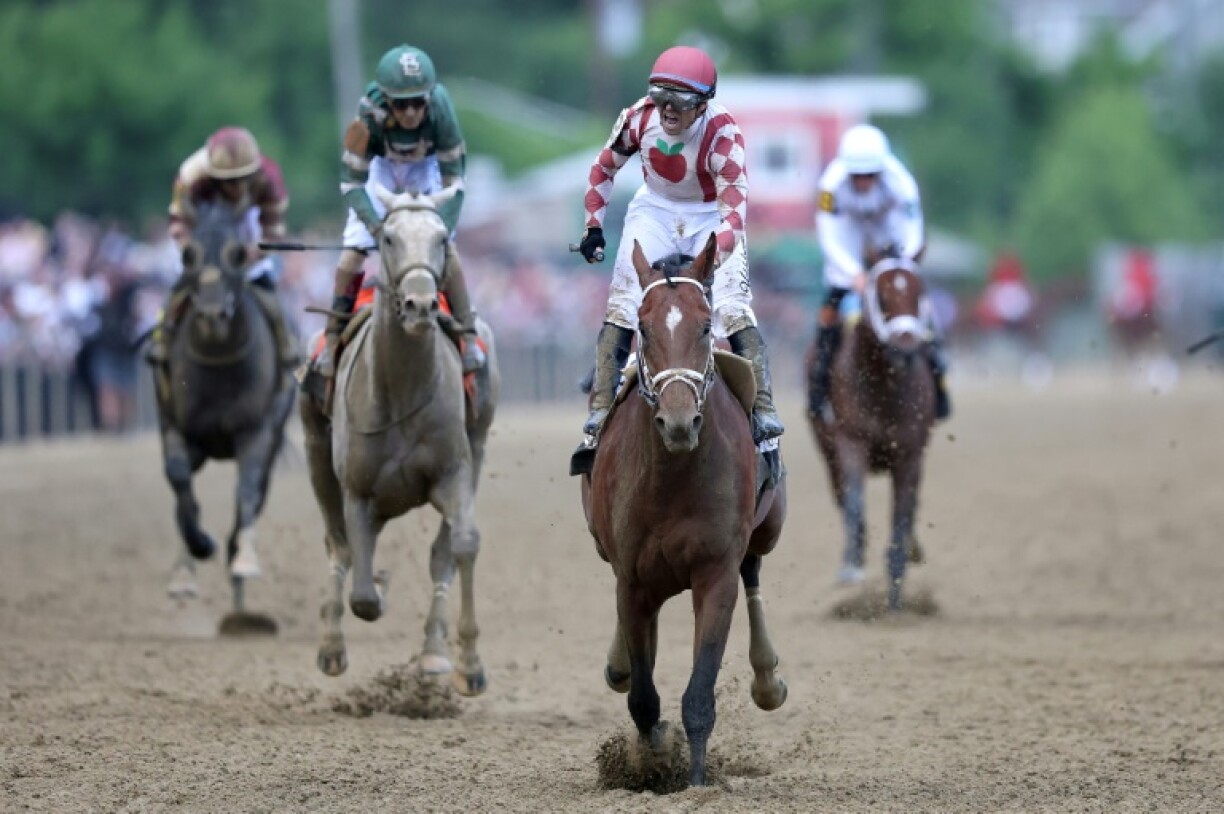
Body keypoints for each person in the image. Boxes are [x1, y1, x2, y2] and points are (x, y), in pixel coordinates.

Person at [574, 45, 784, 453]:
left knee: (733, 306)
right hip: (653, 210)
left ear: (703, 104)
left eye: (681, 102)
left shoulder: (724, 135)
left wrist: (703, 266)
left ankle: (762, 408)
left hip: (711, 218)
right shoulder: (638, 118)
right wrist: (593, 226)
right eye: (660, 97)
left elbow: (735, 219)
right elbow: (604, 167)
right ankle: (600, 407)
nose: (668, 110)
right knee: (622, 303)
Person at [314, 44, 484, 400]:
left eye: (418, 102)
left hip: (427, 170)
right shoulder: (365, 117)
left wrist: (441, 229)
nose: (411, 111)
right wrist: (376, 230)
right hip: (380, 171)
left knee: (445, 249)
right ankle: (331, 342)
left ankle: (468, 338)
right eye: (401, 103)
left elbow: (455, 184)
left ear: (429, 97)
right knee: (351, 257)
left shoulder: (442, 110)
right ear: (386, 100)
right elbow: (351, 183)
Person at [809, 123, 950, 420]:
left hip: (889, 234)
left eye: (869, 175)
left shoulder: (901, 183)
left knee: (917, 307)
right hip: (849, 235)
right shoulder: (830, 187)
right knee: (830, 309)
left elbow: (913, 230)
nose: (862, 181)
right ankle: (819, 388)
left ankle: (939, 382)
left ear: (881, 170)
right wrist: (852, 273)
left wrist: (904, 265)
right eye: (856, 176)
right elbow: (829, 235)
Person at [148, 126, 298, 369]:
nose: (237, 187)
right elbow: (178, 222)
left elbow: (274, 231)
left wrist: (255, 252)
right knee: (181, 287)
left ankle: (285, 342)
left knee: (266, 288)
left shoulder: (269, 178)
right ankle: (162, 338)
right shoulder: (190, 177)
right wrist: (191, 250)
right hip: (204, 228)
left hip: (248, 225)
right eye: (229, 181)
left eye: (243, 178)